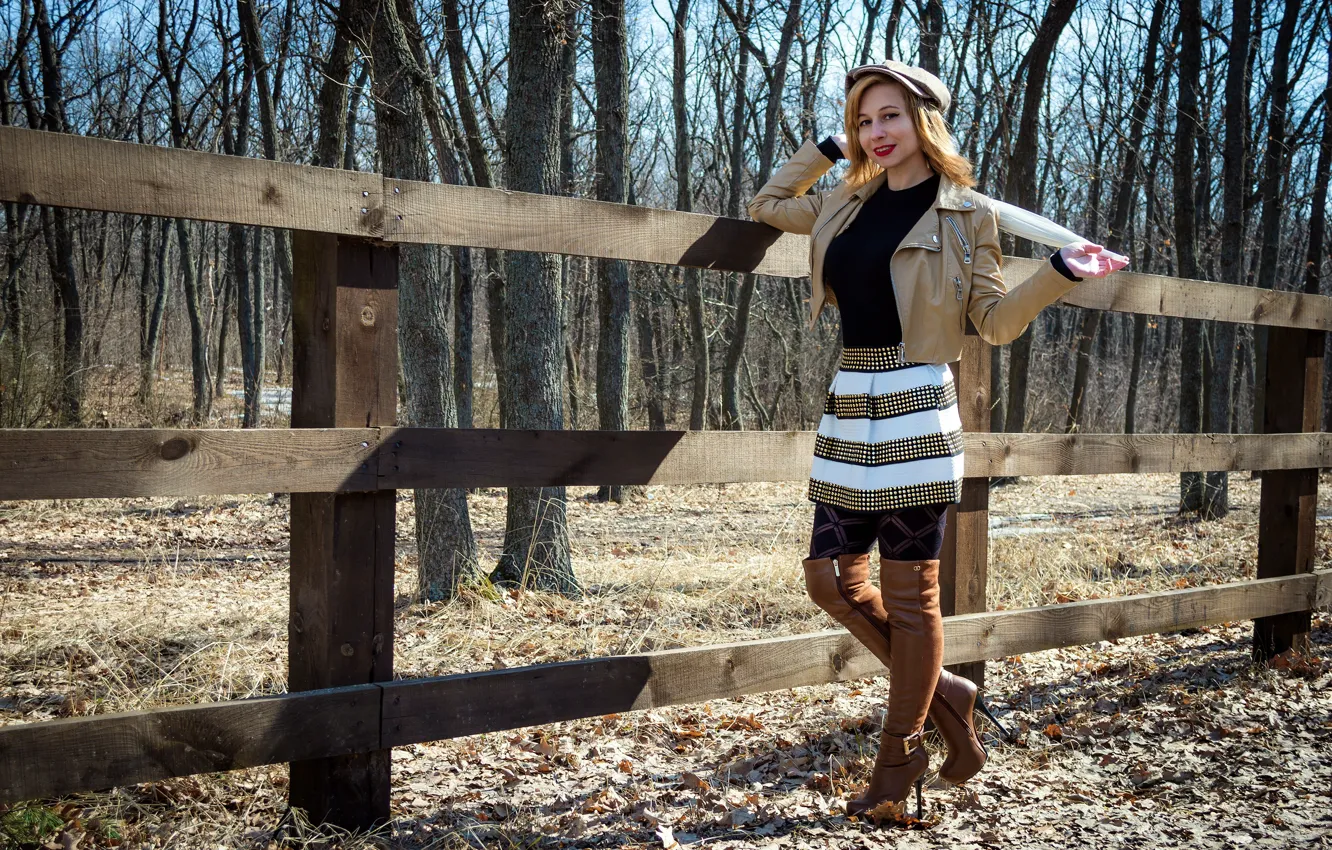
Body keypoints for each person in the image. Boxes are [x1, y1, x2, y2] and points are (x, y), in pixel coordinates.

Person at [747, 60, 1127, 820]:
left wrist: (1057, 271)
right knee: (828, 578)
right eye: (863, 120)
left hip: (919, 403)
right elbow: (765, 204)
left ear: (924, 120)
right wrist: (828, 145)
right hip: (851, 400)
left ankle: (898, 761)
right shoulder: (842, 204)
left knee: (911, 600)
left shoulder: (967, 217)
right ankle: (948, 690)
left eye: (888, 116)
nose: (875, 134)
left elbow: (992, 323)